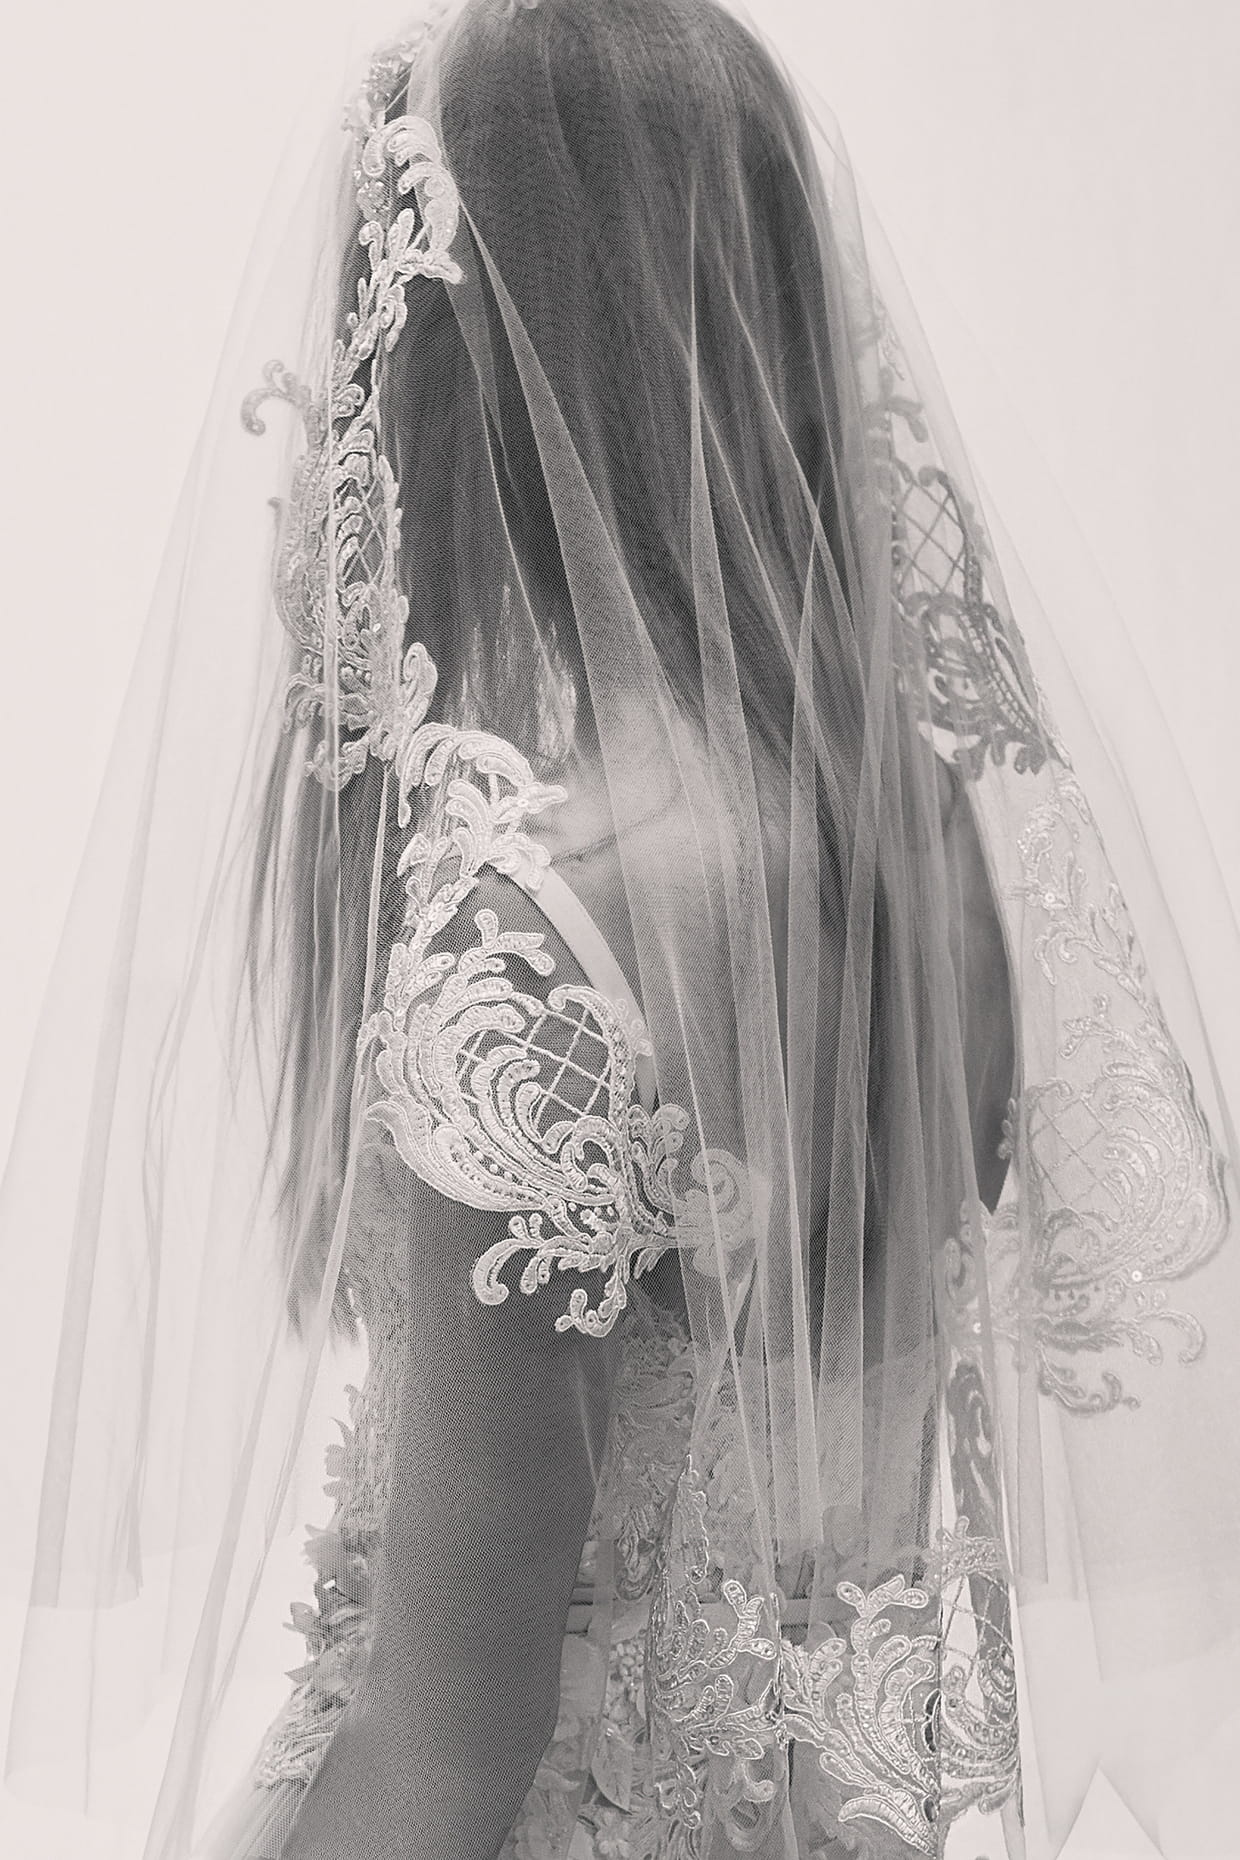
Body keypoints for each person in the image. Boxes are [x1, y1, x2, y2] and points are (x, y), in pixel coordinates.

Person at [3, 2, 1239, 1856]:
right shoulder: (914, 846)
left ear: (450, 359)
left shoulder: (530, 946)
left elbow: (447, 1753)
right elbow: (859, 1531)